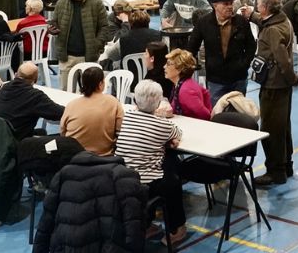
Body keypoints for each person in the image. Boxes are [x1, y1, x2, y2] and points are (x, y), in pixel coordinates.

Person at [116, 80, 188, 247]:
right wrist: (168, 140)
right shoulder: (161, 125)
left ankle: (146, 223)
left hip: (121, 176)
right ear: (157, 103)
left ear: (135, 100)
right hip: (145, 182)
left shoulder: (127, 116)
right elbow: (178, 132)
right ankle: (177, 228)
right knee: (173, 182)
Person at [252, 0, 298, 188]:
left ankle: (275, 171)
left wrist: (292, 78)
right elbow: (266, 23)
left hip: (274, 83)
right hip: (281, 85)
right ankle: (286, 164)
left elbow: (282, 59)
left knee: (271, 128)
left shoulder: (272, 30)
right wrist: (252, 17)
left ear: (264, 7)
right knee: (283, 126)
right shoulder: (282, 20)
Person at [188, 0, 257, 104]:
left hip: (238, 77)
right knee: (217, 113)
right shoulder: (203, 23)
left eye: (231, 3)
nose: (230, 7)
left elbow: (251, 45)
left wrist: (244, 64)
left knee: (239, 113)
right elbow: (192, 47)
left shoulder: (241, 22)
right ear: (215, 5)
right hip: (216, 79)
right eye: (226, 4)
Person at [47, 0, 107, 80]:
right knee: (65, 94)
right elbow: (54, 21)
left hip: (88, 56)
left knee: (88, 95)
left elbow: (105, 27)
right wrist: (52, 28)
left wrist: (96, 45)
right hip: (67, 57)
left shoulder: (96, 3)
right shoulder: (61, 3)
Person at [60, 65, 123, 156]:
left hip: (75, 158)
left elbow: (63, 132)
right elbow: (121, 132)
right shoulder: (114, 103)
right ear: (100, 84)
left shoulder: (71, 105)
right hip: (103, 158)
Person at [0, 63, 64, 140]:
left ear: (16, 75)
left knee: (41, 132)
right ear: (35, 80)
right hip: (17, 142)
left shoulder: (4, 87)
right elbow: (58, 113)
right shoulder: (35, 96)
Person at [164, 48, 211, 119]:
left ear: (179, 69)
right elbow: (205, 93)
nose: (164, 67)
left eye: (168, 64)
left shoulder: (185, 91)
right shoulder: (183, 84)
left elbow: (206, 115)